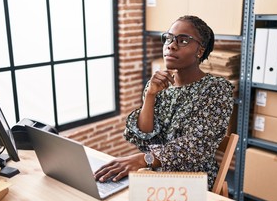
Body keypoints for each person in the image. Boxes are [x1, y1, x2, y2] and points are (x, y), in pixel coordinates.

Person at [94, 15, 234, 190]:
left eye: (183, 41)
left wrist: (143, 159)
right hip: (153, 173)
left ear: (199, 51)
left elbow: (197, 145)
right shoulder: (159, 85)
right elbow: (143, 137)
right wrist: (150, 96)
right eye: (168, 38)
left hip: (192, 180)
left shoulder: (216, 89)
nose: (171, 45)